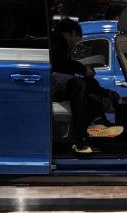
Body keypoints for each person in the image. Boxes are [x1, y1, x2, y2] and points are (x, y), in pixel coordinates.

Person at [50, 18, 122, 154]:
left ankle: (100, 118)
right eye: (77, 39)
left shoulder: (58, 44)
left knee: (88, 83)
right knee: (77, 84)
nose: (76, 44)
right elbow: (61, 63)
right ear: (72, 33)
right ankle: (80, 136)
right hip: (50, 83)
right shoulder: (56, 41)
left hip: (57, 81)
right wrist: (83, 69)